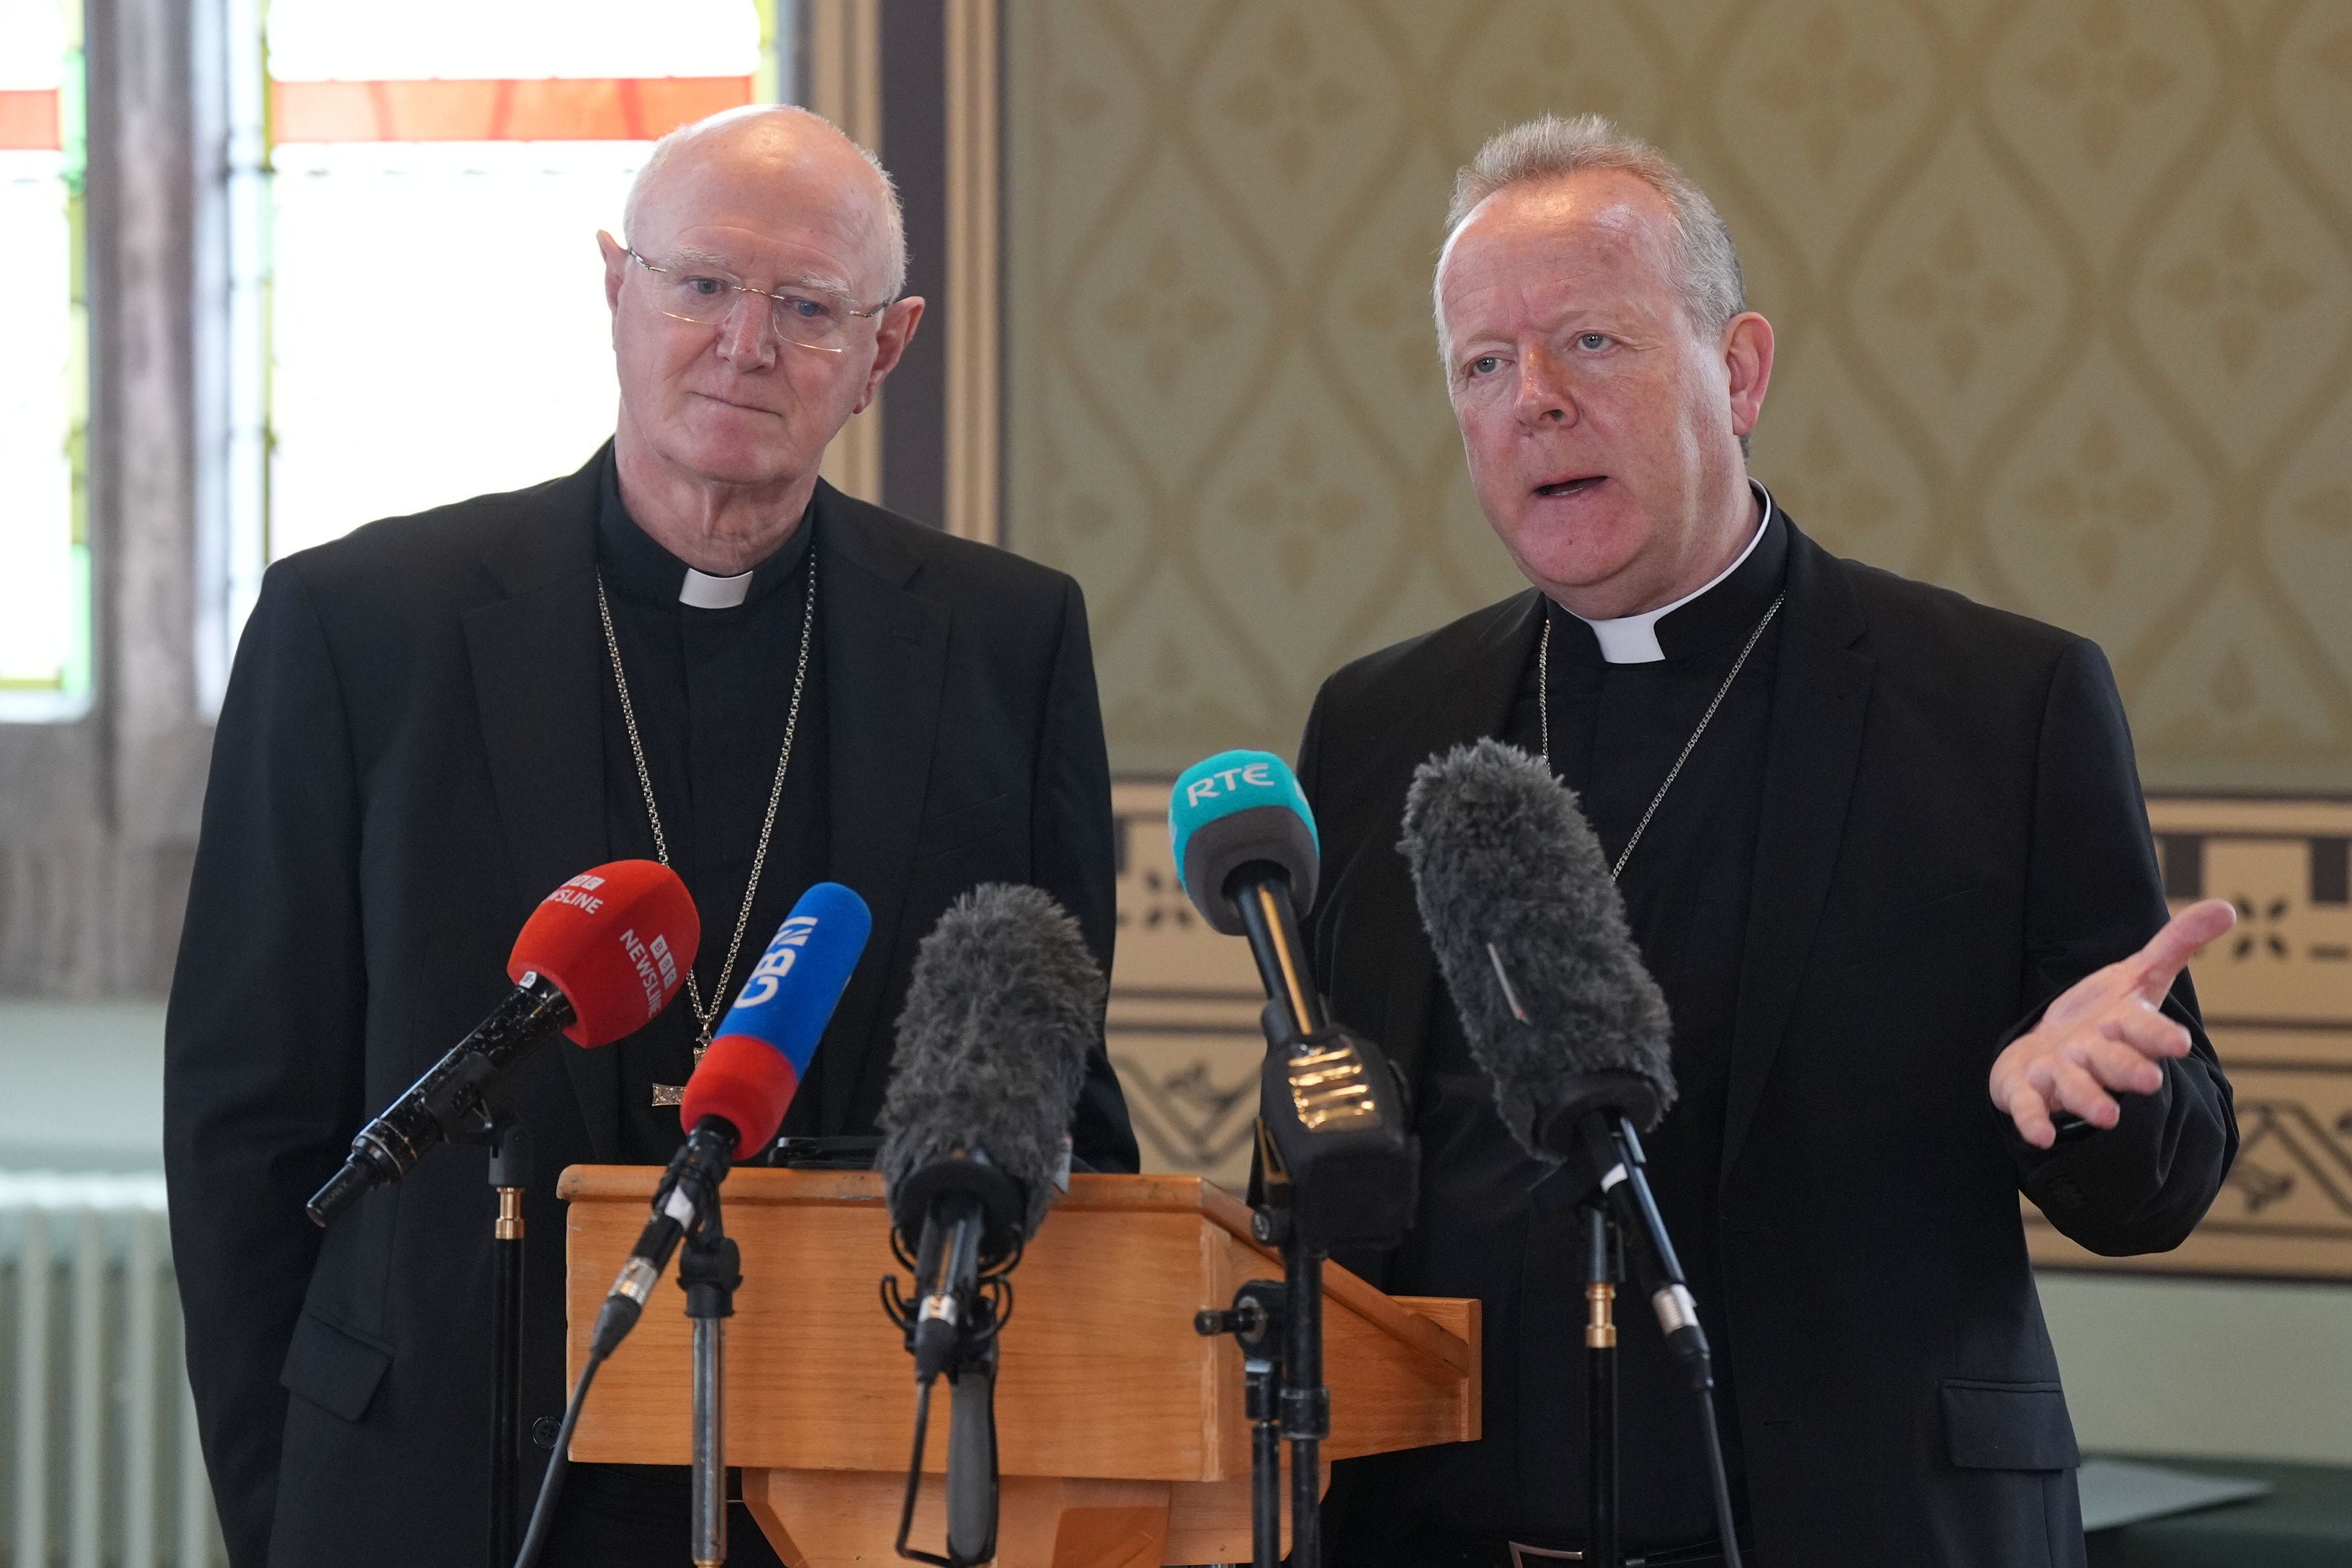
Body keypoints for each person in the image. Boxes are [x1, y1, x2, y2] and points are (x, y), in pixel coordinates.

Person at [164, 105, 1136, 1568]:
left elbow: (1063, 1098)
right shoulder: (360, 629)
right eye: (703, 284)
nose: (746, 344)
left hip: (857, 1480)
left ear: (885, 349)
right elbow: (245, 1130)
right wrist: (286, 1511)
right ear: (616, 288)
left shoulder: (1006, 645)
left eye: (809, 307)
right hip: (440, 1477)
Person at [1295, 114, 2237, 1568]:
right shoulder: (1376, 727)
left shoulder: (1998, 703)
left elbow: (2160, 1188)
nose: (1534, 401)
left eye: (1591, 342)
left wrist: (2091, 1096)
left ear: (1738, 373)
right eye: (1483, 365)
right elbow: (1321, 1172)